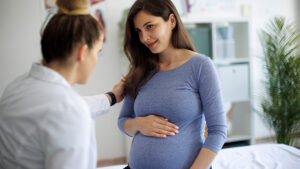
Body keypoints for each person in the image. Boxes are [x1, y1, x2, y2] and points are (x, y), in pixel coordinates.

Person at [0, 0, 124, 168]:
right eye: (97, 52)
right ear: (82, 52)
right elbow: (66, 111)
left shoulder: (16, 87)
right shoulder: (69, 112)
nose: (96, 60)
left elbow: (56, 110)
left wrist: (112, 97)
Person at [118, 0, 227, 169]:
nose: (144, 38)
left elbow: (218, 131)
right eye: (138, 31)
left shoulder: (200, 66)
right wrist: (140, 124)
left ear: (172, 21)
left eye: (149, 27)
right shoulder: (140, 69)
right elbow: (123, 121)